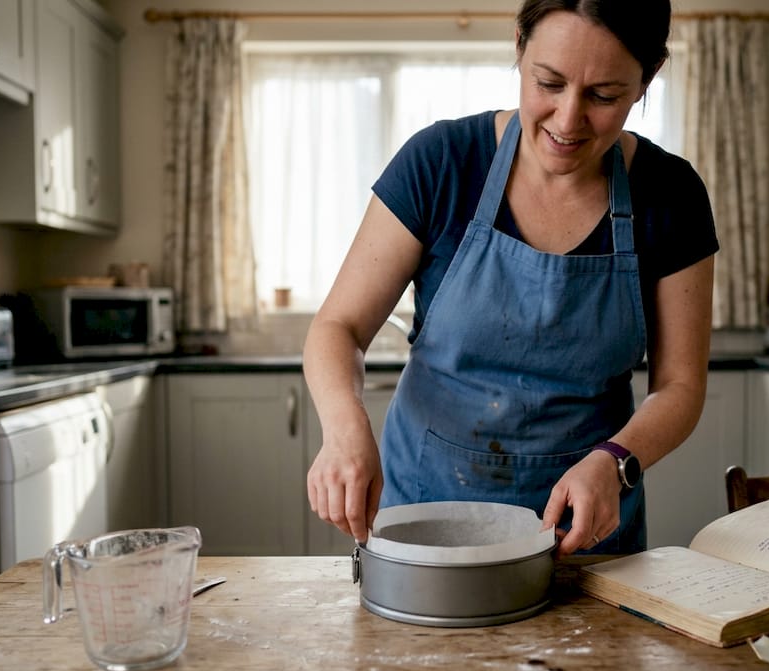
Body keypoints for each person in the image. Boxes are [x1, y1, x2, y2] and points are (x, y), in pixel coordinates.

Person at [304, 0, 717, 558]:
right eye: (549, 83)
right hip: (428, 520)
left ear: (648, 79)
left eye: (604, 96)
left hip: (582, 533)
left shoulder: (671, 194)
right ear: (519, 47)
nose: (568, 121)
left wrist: (616, 461)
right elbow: (339, 325)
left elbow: (681, 388)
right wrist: (344, 427)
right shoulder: (442, 163)